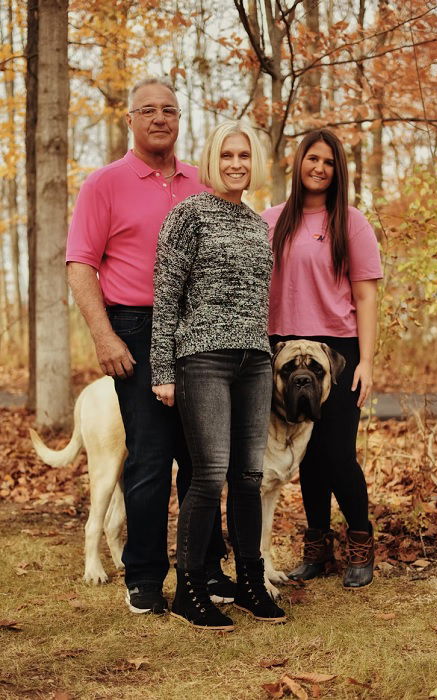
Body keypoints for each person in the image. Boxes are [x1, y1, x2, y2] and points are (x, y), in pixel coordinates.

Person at [66, 77, 232, 614]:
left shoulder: (201, 183)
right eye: (149, 110)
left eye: (170, 110)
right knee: (152, 458)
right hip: (134, 327)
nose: (160, 119)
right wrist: (104, 334)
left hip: (198, 326)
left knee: (204, 458)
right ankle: (142, 576)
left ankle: (205, 569)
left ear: (179, 120)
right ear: (130, 119)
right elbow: (80, 265)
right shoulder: (104, 184)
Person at [150, 121, 286, 631]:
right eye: (227, 154)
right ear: (212, 159)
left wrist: (267, 355)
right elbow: (167, 297)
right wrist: (163, 369)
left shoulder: (256, 224)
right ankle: (189, 589)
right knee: (208, 476)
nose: (236, 164)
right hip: (202, 358)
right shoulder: (189, 215)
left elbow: (258, 301)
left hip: (254, 360)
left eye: (244, 156)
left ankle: (250, 581)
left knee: (248, 476)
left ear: (255, 163)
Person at [263, 128, 382, 589]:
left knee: (335, 452)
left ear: (339, 171)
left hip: (337, 351)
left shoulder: (351, 223)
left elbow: (366, 297)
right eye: (312, 159)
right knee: (305, 456)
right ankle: (316, 548)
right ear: (298, 164)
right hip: (281, 351)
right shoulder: (270, 220)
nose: (319, 168)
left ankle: (360, 541)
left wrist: (366, 361)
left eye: (329, 162)